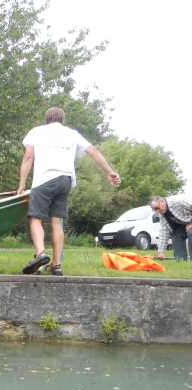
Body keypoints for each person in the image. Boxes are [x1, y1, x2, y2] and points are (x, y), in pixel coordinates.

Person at [17, 107, 121, 275]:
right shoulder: (72, 133)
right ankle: (56, 265)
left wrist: (22, 183)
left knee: (36, 219)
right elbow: (93, 151)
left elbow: (28, 156)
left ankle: (41, 253)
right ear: (62, 120)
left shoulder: (37, 132)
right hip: (65, 180)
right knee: (56, 222)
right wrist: (109, 171)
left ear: (46, 120)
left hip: (44, 180)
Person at [148, 195, 192, 261]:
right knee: (176, 235)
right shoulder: (163, 215)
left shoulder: (178, 201)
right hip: (184, 224)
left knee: (190, 232)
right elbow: (163, 232)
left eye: (157, 207)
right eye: (154, 209)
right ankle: (180, 261)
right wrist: (161, 251)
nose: (157, 211)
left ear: (162, 201)